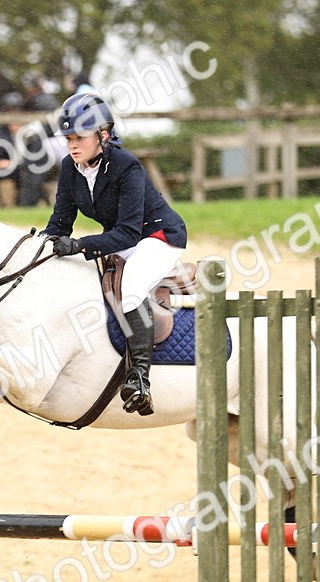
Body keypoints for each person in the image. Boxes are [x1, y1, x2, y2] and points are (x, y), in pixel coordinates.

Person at [41, 93, 187, 417]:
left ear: (103, 135)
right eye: (68, 138)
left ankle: (140, 379)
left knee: (132, 288)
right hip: (121, 236)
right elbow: (61, 221)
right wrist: (41, 248)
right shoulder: (70, 167)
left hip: (158, 237)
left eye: (79, 137)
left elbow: (130, 232)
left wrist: (80, 246)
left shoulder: (126, 165)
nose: (72, 145)